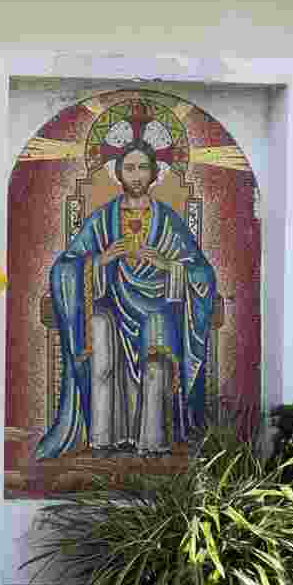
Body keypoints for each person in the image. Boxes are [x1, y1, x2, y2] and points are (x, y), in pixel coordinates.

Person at [36, 140, 216, 460]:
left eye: (142, 168)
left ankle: (153, 441)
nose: (136, 175)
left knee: (158, 341)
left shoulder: (169, 221)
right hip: (114, 305)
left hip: (158, 307)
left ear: (154, 173)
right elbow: (66, 266)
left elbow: (201, 272)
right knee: (99, 330)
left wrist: (167, 265)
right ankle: (104, 438)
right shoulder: (103, 219)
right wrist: (101, 261)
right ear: (118, 173)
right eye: (129, 168)